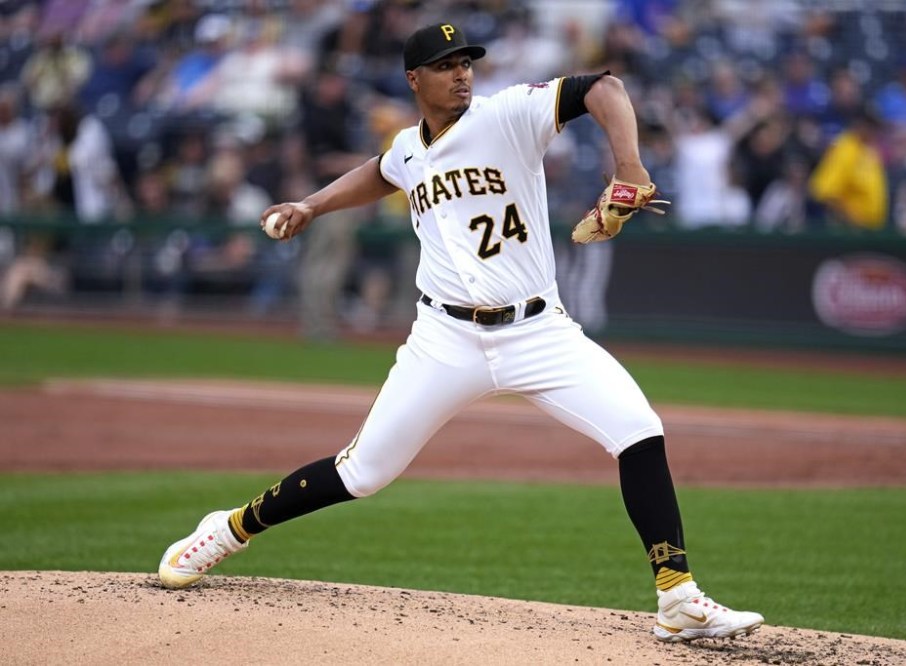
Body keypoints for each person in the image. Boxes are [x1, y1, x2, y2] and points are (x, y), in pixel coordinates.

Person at [157, 23, 764, 644]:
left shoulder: (507, 115)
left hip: (538, 331)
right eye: (446, 65)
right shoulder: (409, 148)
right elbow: (381, 170)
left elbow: (603, 88)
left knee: (640, 431)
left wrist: (629, 166)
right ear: (414, 79)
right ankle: (229, 528)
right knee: (363, 473)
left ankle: (677, 596)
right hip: (444, 340)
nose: (462, 73)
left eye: (467, 61)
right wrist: (311, 205)